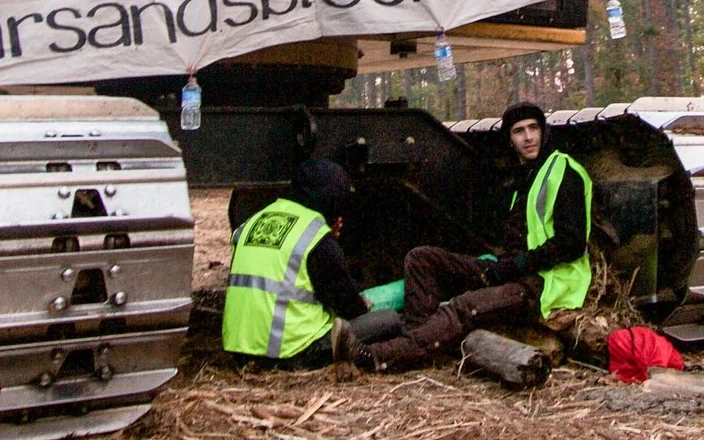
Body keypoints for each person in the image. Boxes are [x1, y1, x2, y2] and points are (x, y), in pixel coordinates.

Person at [363, 102, 593, 373]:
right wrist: (503, 266)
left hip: (546, 281)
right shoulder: (524, 177)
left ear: (544, 131)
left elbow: (572, 243)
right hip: (512, 268)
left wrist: (516, 266)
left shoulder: (563, 171)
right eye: (519, 131)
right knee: (421, 259)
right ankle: (417, 346)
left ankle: (380, 355)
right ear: (509, 139)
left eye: (534, 128)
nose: (529, 137)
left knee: (465, 306)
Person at [222, 159, 386, 368]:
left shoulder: (251, 224)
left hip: (241, 353)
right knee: (389, 321)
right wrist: (332, 243)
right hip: (292, 353)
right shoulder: (316, 237)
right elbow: (349, 306)